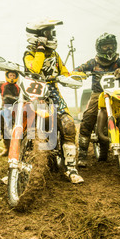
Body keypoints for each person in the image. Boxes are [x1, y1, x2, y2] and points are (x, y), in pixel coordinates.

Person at [23, 19, 83, 184]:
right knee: (23, 124)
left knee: (68, 124)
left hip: (53, 92)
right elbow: (34, 69)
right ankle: (19, 165)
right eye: (48, 34)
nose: (52, 36)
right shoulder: (29, 53)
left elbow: (65, 73)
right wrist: (40, 50)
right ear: (37, 36)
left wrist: (79, 76)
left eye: (52, 33)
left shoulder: (55, 55)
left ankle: (70, 168)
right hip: (34, 91)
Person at [73, 33, 120, 167]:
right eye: (105, 46)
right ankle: (82, 154)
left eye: (111, 46)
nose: (109, 49)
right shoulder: (93, 62)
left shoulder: (118, 61)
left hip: (116, 93)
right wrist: (80, 74)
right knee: (88, 117)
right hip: (98, 93)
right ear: (99, 47)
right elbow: (77, 69)